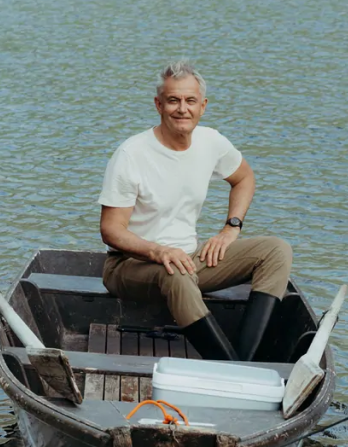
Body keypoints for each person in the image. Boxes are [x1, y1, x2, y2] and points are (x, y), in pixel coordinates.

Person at [98, 60, 292, 361]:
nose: (182, 109)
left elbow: (244, 178)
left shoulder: (211, 142)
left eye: (190, 101)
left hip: (189, 260)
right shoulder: (131, 154)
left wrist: (231, 228)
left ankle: (243, 357)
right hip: (130, 266)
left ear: (203, 106)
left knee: (276, 251)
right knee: (175, 274)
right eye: (173, 100)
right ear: (158, 105)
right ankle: (226, 366)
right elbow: (111, 230)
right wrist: (158, 251)